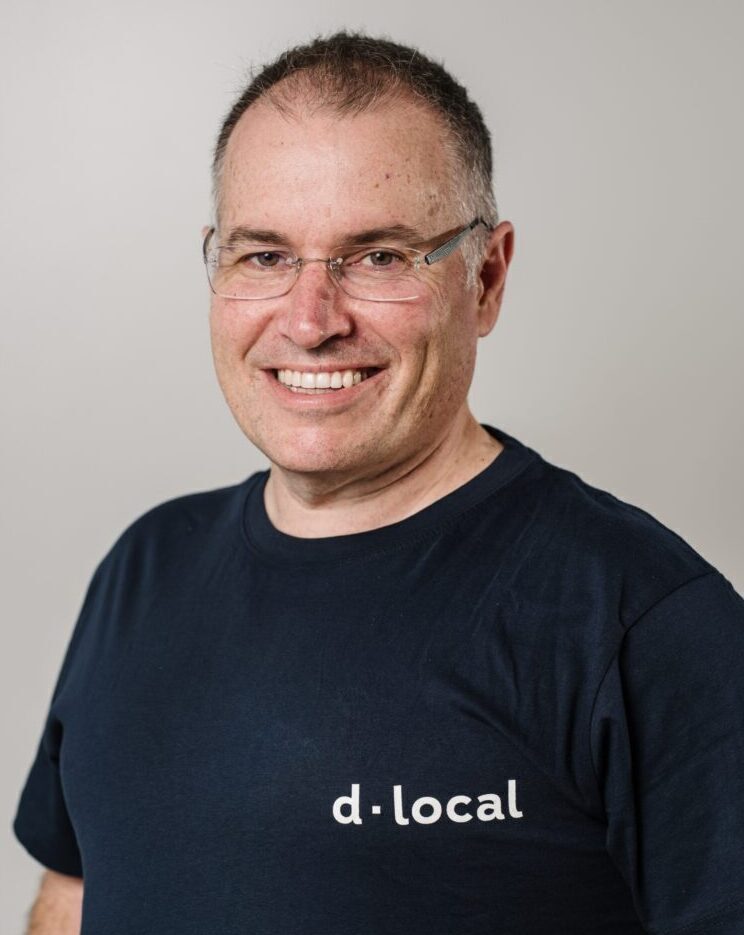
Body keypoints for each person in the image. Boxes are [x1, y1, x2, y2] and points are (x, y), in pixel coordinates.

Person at [12, 31, 744, 935]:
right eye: (264, 256)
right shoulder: (146, 567)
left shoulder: (641, 624)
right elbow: (71, 896)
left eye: (380, 256)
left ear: (486, 277)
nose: (310, 320)